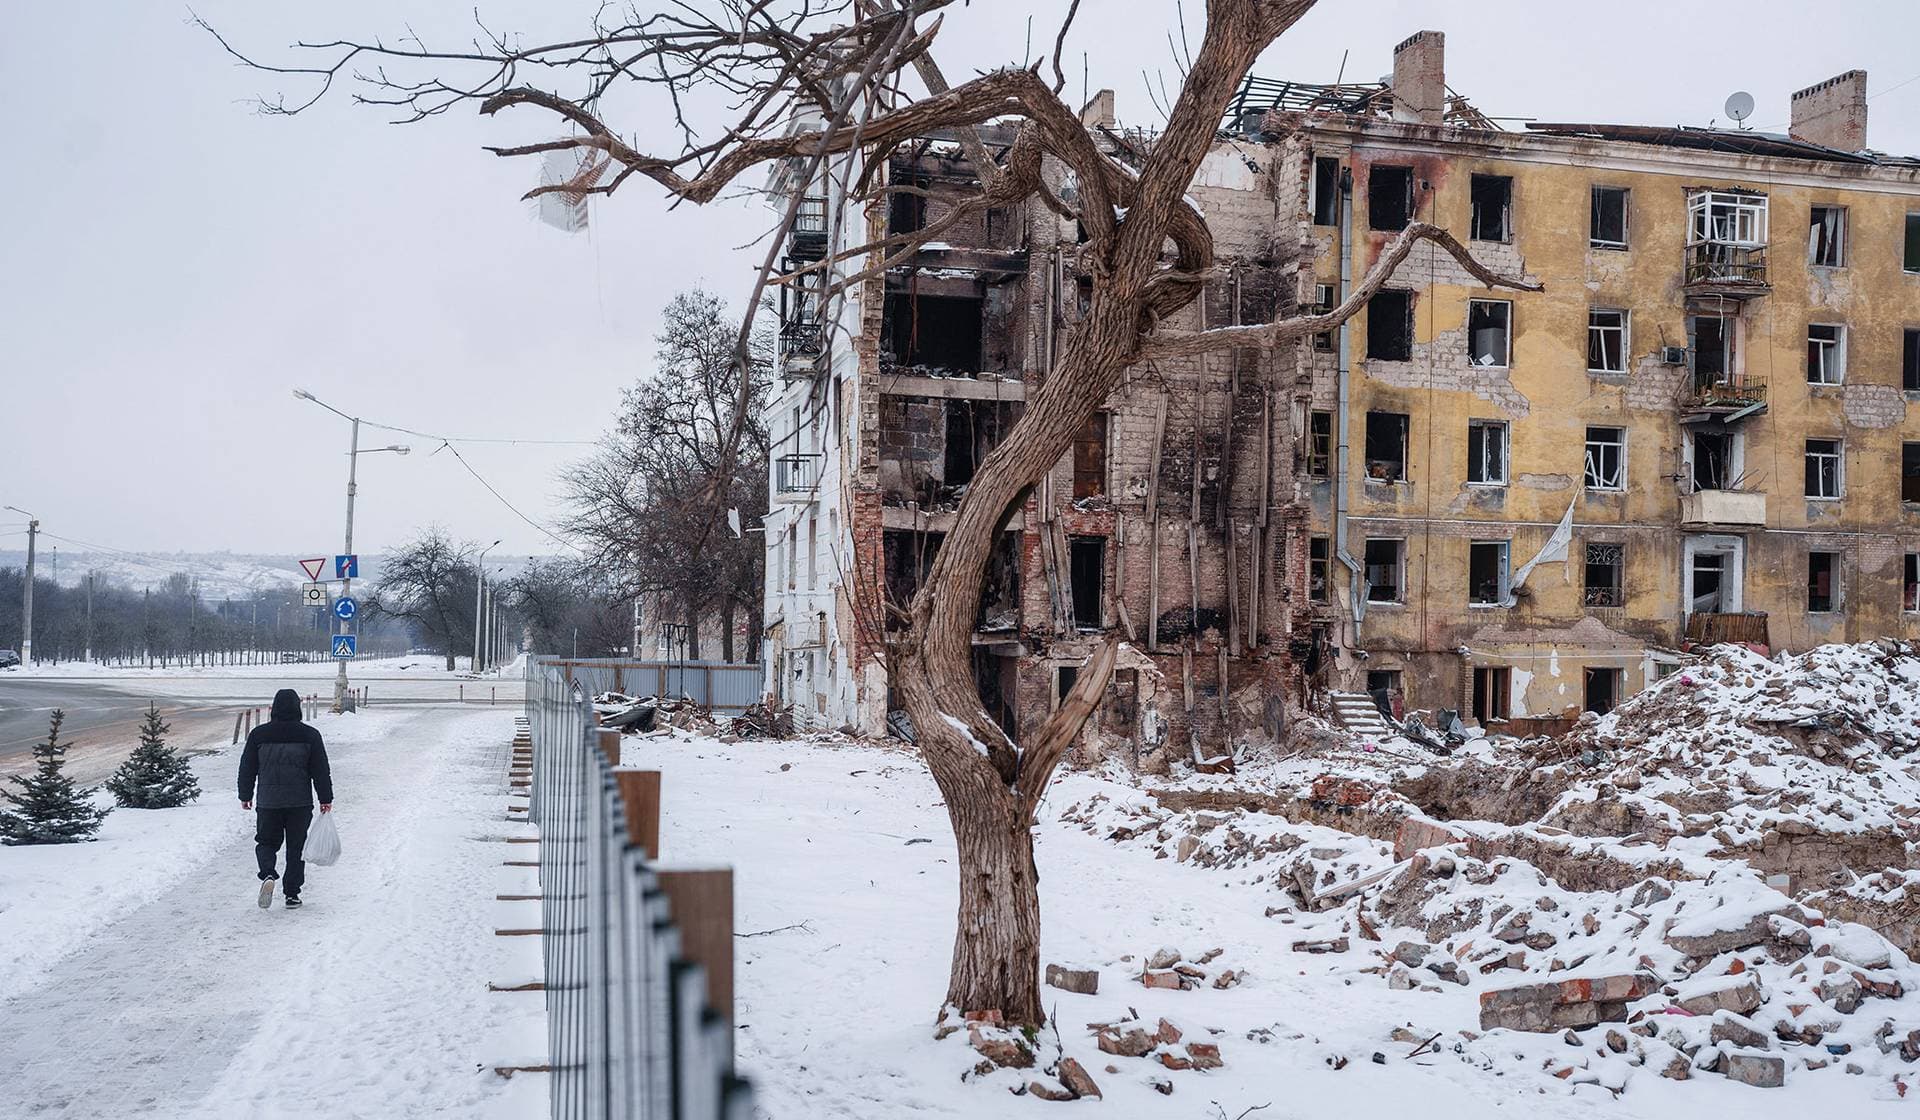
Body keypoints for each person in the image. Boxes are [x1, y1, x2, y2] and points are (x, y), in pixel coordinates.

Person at [237, 688, 333, 909]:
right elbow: (320, 770)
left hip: (268, 801)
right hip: (300, 802)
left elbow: (247, 767)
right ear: (298, 708)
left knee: (266, 842)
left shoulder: (259, 735)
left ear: (275, 708)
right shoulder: (310, 735)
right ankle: (292, 894)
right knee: (296, 847)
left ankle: (268, 874)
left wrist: (245, 794)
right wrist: (325, 798)